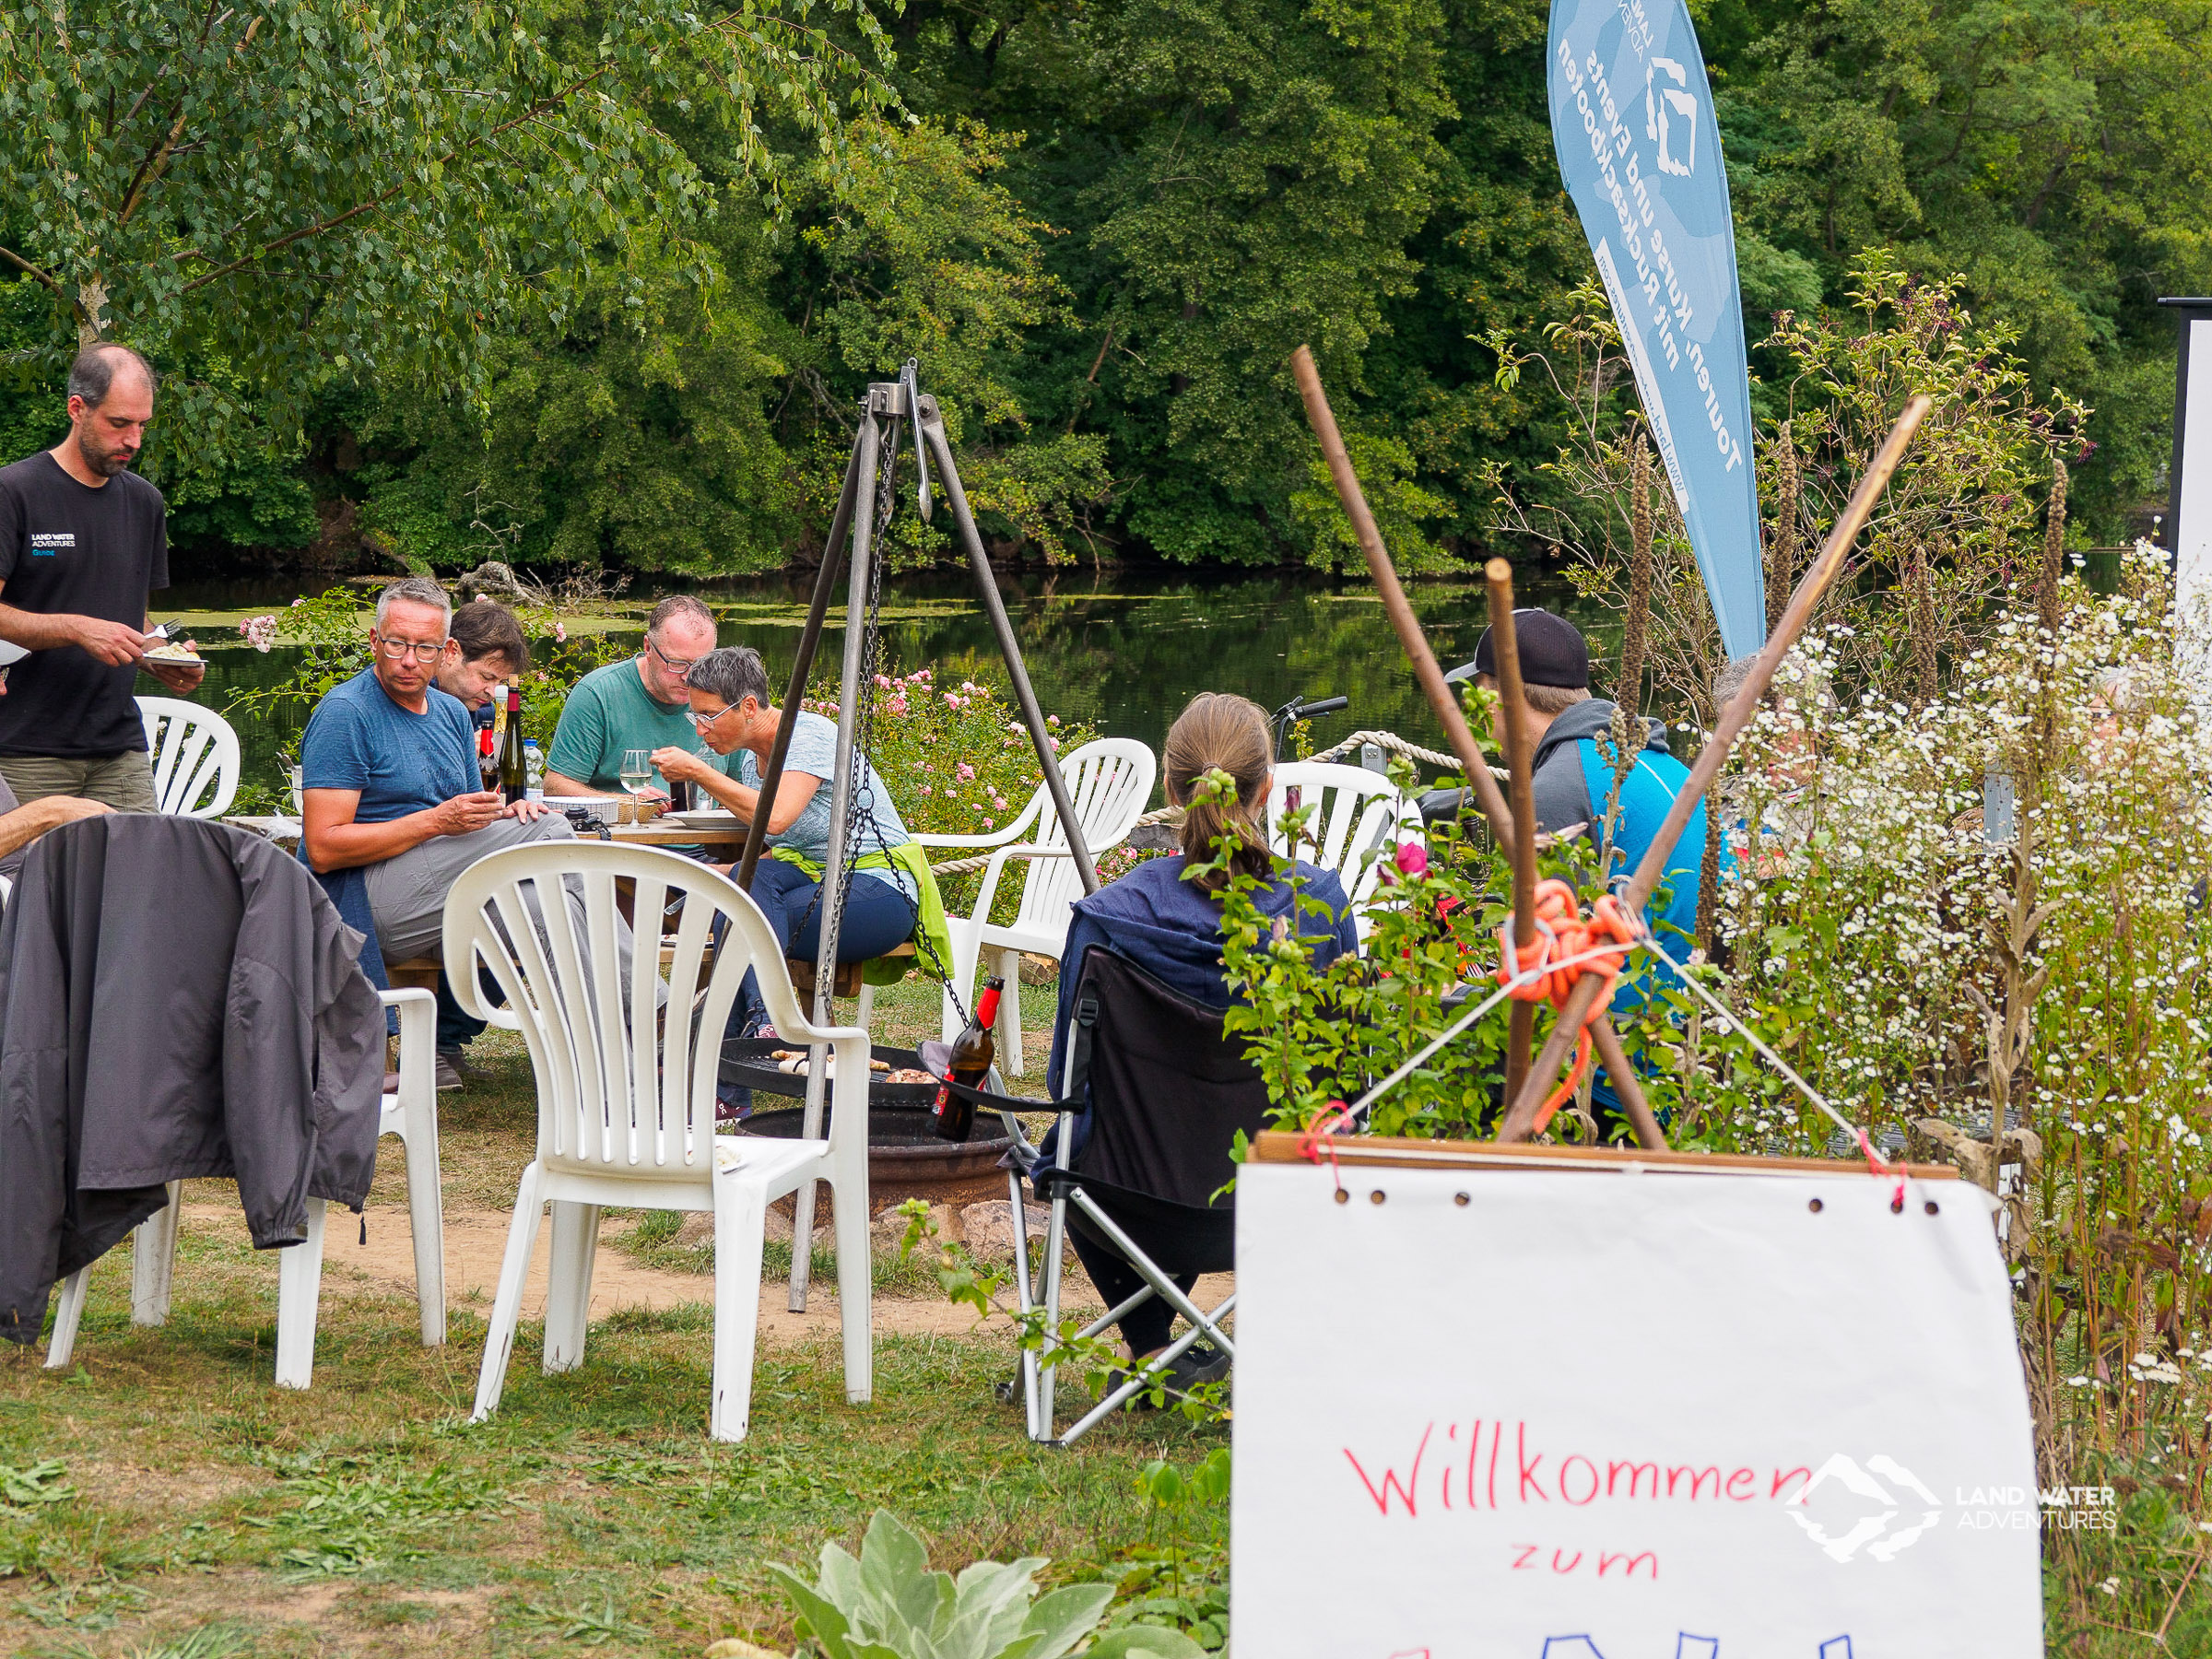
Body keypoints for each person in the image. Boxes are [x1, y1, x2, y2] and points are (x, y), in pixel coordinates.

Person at [1043, 692, 1359, 1391]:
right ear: (1267, 787)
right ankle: (1173, 1351)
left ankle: (1153, 1344)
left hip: (1123, 1204)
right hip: (1277, 1198)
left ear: (1169, 787)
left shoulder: (1110, 917)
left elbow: (1065, 1082)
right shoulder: (1320, 907)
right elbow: (1348, 1077)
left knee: (1086, 1144)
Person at [299, 577, 579, 1088]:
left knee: (542, 903)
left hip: (439, 890)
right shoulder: (346, 714)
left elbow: (468, 819)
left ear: (446, 650)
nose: (410, 659)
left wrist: (503, 816)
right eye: (397, 644)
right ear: (374, 643)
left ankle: (635, 1029)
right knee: (557, 830)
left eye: (425, 647)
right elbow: (322, 849)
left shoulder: (451, 713)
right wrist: (436, 821)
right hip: (363, 900)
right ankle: (647, 1013)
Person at [654, 646, 945, 1037]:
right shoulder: (750, 762)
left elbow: (777, 817)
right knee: (743, 882)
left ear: (749, 706)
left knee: (742, 917)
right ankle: (743, 1057)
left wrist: (699, 772)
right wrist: (719, 870)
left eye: (708, 716)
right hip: (817, 881)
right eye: (696, 715)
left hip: (880, 890)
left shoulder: (807, 735)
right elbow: (790, 842)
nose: (699, 729)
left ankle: (754, 1029)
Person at [0, 343, 205, 811]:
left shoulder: (145, 502)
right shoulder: (13, 492)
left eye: (142, 426)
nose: (133, 439)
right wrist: (75, 629)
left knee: (142, 881)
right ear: (77, 408)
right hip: (23, 749)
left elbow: (131, 614)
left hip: (120, 749)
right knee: (30, 885)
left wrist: (156, 654)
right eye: (119, 424)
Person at [546, 594, 718, 798]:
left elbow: (746, 788)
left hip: (709, 828)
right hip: (623, 828)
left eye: (700, 666)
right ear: (648, 648)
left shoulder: (724, 694)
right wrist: (627, 803)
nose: (688, 677)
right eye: (677, 664)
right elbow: (555, 786)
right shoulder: (598, 693)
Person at [437, 599, 531, 712]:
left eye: (501, 682)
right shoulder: (415, 696)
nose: (492, 693)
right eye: (487, 677)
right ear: (452, 652)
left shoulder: (485, 711)